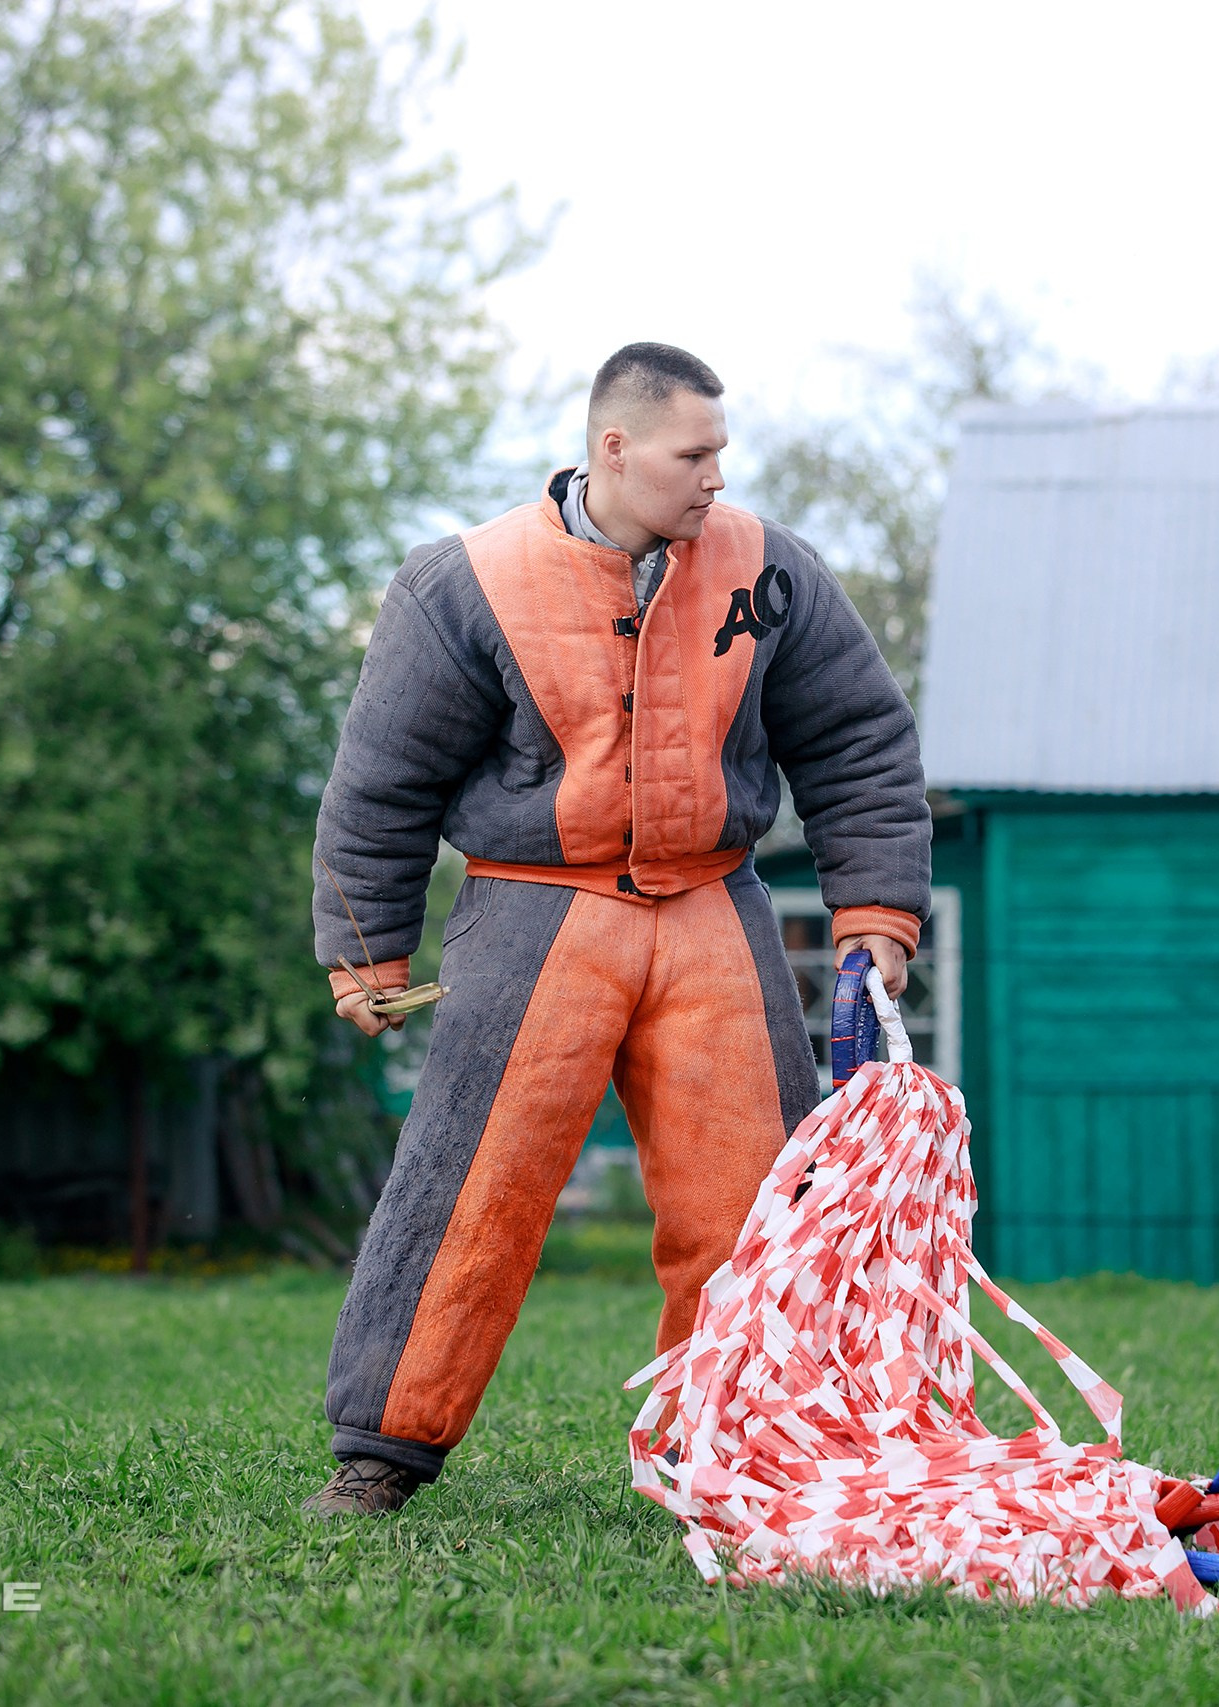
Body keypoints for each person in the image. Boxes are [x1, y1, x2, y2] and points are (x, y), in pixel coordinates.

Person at [301, 342, 930, 1516]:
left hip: (712, 907)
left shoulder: (772, 572)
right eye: (694, 454)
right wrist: (366, 952)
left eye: (722, 455)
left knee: (757, 1201)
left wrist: (876, 914)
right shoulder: (461, 584)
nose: (714, 479)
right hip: (533, 915)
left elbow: (860, 746)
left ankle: (748, 1452)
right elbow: (379, 784)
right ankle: (379, 1456)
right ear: (616, 449)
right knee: (467, 1193)